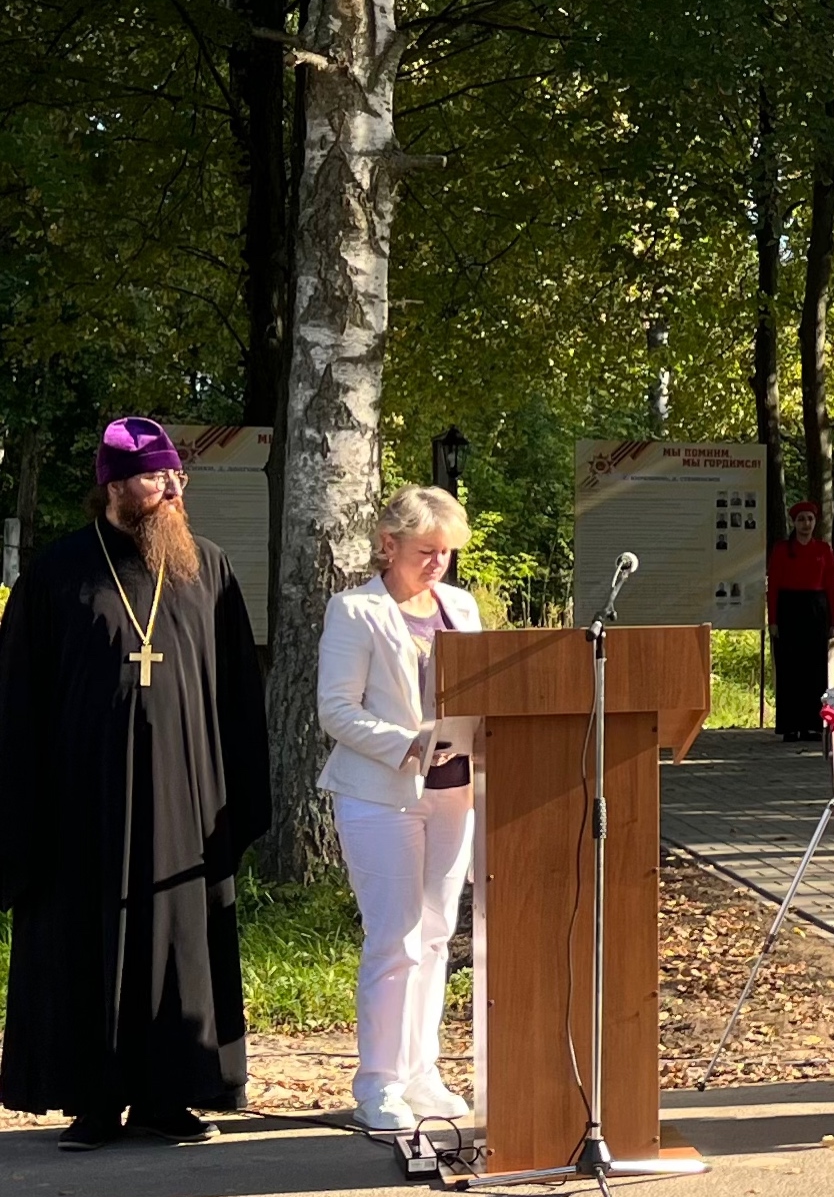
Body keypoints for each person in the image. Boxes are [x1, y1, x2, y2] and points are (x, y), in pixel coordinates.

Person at [0, 417, 270, 1151]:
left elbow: (238, 692)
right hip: (82, 805)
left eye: (176, 474)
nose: (174, 487)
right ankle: (94, 1101)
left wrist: (238, 797)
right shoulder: (57, 575)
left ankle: (169, 1097)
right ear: (115, 486)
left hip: (185, 796)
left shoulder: (207, 568)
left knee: (178, 940)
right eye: (157, 477)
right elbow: (18, 699)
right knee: (88, 941)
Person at [316, 486, 485, 1134]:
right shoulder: (355, 610)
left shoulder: (461, 607)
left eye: (446, 552)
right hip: (379, 794)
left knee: (438, 935)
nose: (438, 563)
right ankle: (378, 1083)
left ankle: (420, 1073)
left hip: (454, 791)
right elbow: (336, 710)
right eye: (425, 551)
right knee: (396, 939)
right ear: (388, 545)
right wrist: (407, 743)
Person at [767, 499, 834, 742]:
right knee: (789, 669)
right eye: (801, 519)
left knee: (815, 670)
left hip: (816, 611)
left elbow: (831, 586)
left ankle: (812, 725)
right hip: (789, 610)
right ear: (794, 523)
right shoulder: (781, 550)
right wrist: (773, 620)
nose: (806, 524)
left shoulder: (823, 550)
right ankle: (790, 726)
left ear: (815, 522)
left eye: (809, 519)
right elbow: (773, 586)